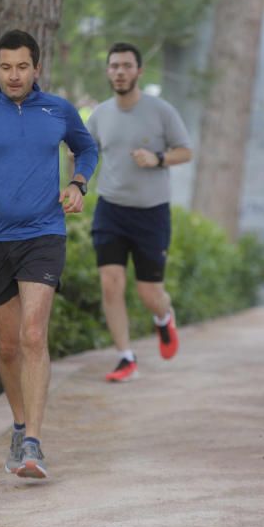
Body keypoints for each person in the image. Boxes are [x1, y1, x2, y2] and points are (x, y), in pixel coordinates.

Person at [0, 29, 98, 479]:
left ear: (36, 68)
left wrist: (77, 183)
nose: (13, 75)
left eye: (22, 66)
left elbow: (86, 148)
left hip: (44, 234)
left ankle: (33, 445)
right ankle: (19, 423)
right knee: (8, 347)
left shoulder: (58, 110)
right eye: (5, 67)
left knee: (31, 334)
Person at [86, 42, 192, 382]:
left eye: (126, 66)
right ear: (108, 71)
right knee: (110, 284)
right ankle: (125, 357)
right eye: (114, 65)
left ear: (139, 71)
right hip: (110, 210)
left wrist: (158, 159)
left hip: (151, 213)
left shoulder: (161, 111)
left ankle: (164, 318)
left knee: (150, 293)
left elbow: (186, 151)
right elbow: (86, 152)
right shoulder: (100, 114)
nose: (120, 71)